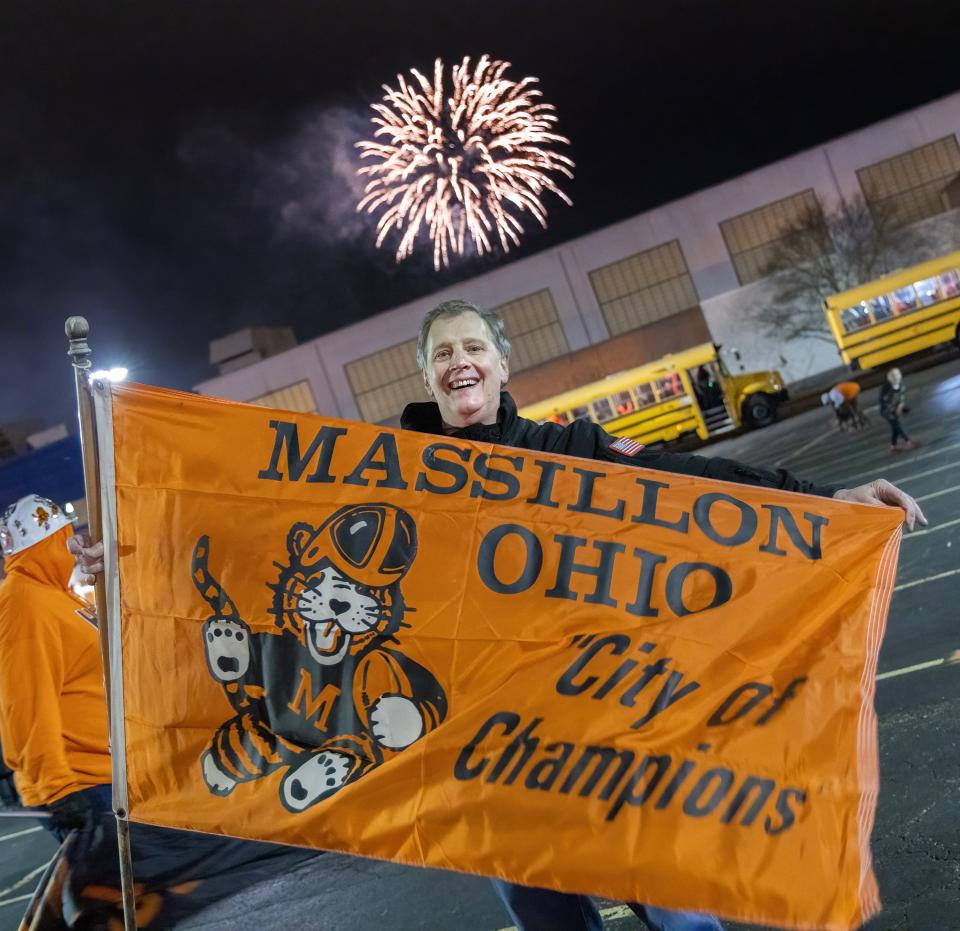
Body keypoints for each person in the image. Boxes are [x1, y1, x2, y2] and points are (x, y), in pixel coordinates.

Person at [72, 299, 927, 931]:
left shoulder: (572, 452)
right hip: (493, 780)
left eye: (473, 345)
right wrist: (136, 553)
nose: (459, 362)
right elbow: (256, 534)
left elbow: (699, 490)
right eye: (442, 352)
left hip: (605, 754)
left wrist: (828, 505)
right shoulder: (387, 477)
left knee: (683, 921)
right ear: (427, 375)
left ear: (503, 364)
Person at [0, 494, 113, 841]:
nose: (73, 543)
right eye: (64, 534)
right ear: (47, 542)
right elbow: (27, 702)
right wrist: (57, 787)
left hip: (106, 775)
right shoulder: (23, 603)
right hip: (82, 785)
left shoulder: (56, 595)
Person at [879, 367, 916, 452]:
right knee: (897, 425)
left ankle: (893, 445)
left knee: (894, 427)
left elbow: (902, 397)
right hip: (886, 411)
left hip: (895, 409)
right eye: (893, 375)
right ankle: (908, 441)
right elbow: (883, 401)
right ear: (889, 378)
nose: (896, 377)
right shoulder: (886, 388)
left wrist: (900, 406)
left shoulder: (901, 386)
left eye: (898, 374)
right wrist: (894, 409)